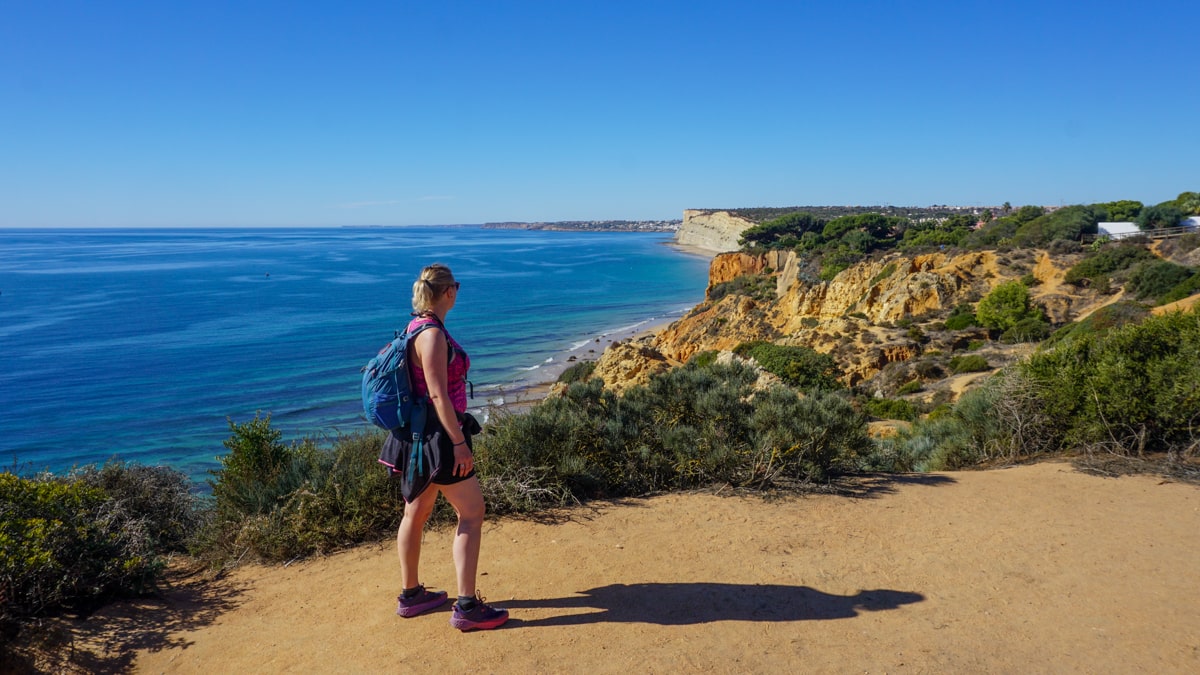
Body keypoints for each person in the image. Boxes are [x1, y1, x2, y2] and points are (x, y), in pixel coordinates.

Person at [385, 263, 509, 631]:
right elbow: (438, 394)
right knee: (472, 513)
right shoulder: (433, 335)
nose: (458, 290)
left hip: (414, 437)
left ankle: (411, 596)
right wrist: (458, 442)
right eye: (456, 285)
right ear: (448, 292)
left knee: (415, 514)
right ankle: (467, 606)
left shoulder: (414, 326)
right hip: (440, 438)